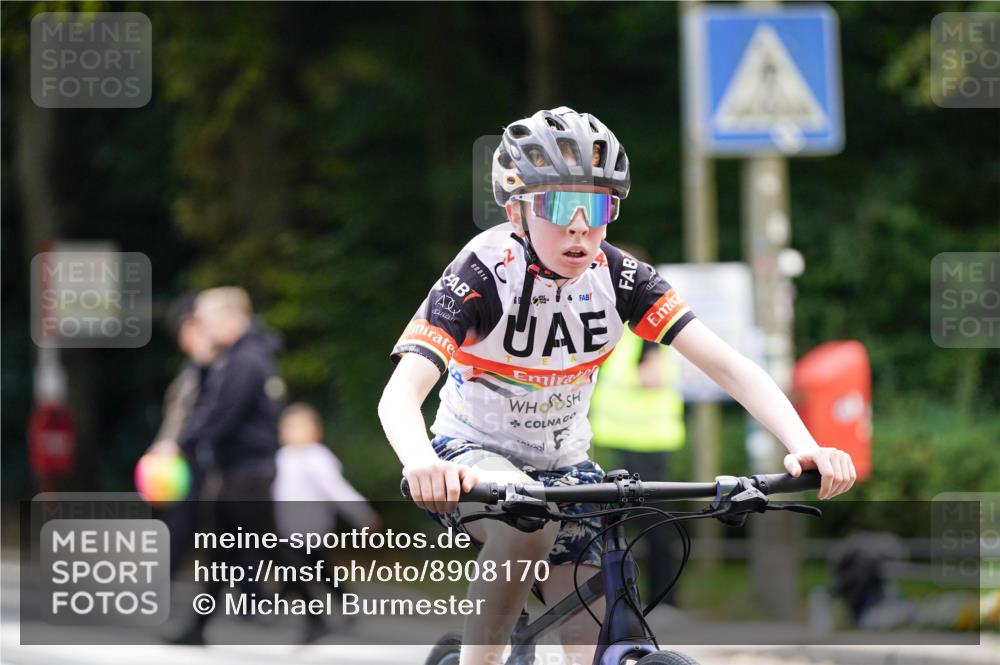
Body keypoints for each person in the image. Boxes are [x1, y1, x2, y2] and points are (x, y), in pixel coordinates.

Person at [379, 106, 857, 665]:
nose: (580, 225)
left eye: (600, 205)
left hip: (567, 466)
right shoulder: (484, 270)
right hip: (469, 458)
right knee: (525, 525)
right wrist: (420, 462)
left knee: (597, 635)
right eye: (559, 205)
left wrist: (803, 443)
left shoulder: (621, 276)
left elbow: (729, 366)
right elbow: (400, 394)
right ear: (517, 211)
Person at [170, 287, 284, 645]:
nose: (203, 329)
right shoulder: (234, 357)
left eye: (207, 321)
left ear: (230, 318)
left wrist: (181, 444)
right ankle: (196, 628)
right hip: (236, 470)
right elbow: (211, 404)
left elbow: (222, 412)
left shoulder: (246, 359)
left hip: (248, 471)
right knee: (221, 551)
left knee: (271, 547)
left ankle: (318, 612)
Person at [588, 245, 686, 605]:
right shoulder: (621, 327)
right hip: (622, 437)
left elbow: (654, 377)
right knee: (617, 525)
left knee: (651, 525)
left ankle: (665, 599)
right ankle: (629, 597)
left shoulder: (644, 327)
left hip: (645, 439)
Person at [272, 402, 380, 642]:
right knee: (319, 571)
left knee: (301, 570)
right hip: (287, 527)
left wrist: (361, 514)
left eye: (298, 427)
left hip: (311, 527)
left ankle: (315, 619)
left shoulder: (318, 457)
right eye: (286, 427)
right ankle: (339, 604)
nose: (290, 432)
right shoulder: (282, 457)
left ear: (315, 431)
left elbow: (337, 490)